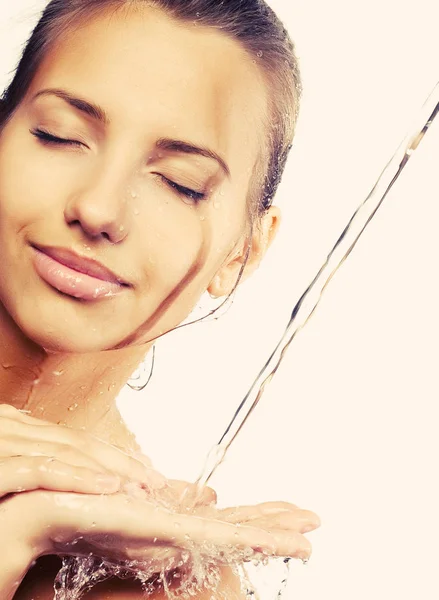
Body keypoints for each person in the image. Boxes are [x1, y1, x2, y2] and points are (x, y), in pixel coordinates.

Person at [0, 0, 321, 598]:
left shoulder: (159, 581)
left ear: (241, 254)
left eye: (180, 183)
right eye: (59, 136)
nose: (98, 209)